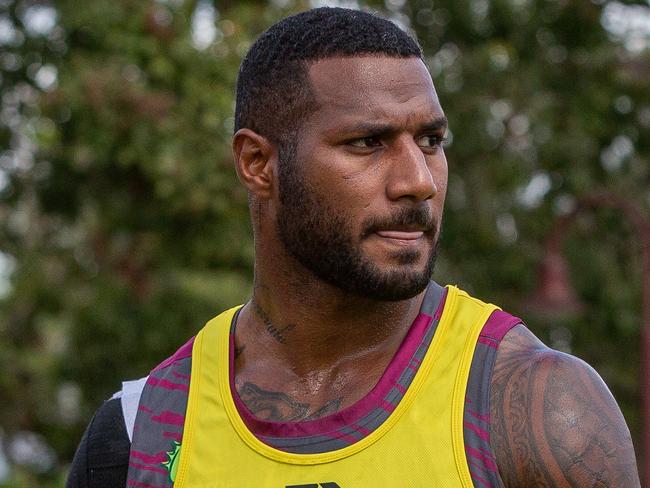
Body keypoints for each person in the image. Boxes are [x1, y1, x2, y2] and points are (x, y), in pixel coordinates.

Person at [67, 7, 641, 488]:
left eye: (431, 140)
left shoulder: (536, 411)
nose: (418, 180)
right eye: (368, 142)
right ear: (257, 164)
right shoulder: (142, 432)